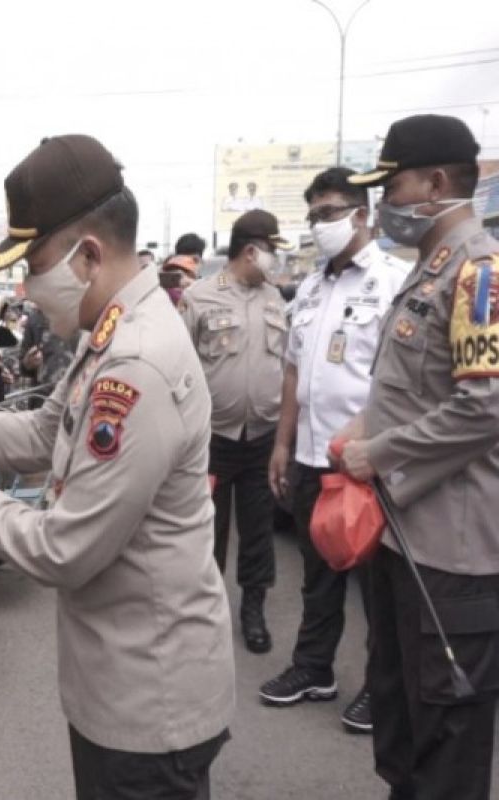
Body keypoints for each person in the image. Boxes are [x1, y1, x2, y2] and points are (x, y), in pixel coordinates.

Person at [0, 134, 234, 800]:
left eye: (34, 262)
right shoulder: (107, 332)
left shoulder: (135, 362)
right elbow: (48, 428)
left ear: (88, 254)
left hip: (150, 699)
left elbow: (70, 548)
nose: (26, 286)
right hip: (121, 679)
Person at [336, 114, 499, 800]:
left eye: (393, 185)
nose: (384, 205)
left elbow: (484, 407)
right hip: (404, 541)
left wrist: (379, 452)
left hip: (452, 555)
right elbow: (412, 385)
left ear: (436, 182)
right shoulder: (428, 270)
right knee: (403, 735)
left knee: (446, 754)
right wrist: (362, 425)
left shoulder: (479, 272)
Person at [259, 167, 409, 733]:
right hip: (311, 456)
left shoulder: (396, 280)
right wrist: (282, 442)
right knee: (316, 571)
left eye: (330, 212)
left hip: (367, 461)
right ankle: (313, 669)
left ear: (363, 213)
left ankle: (381, 685)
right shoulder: (312, 287)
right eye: (314, 214)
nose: (321, 224)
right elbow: (295, 370)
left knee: (376, 584)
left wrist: (376, 448)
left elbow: (403, 380)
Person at [179, 209, 292, 655]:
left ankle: (253, 612)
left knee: (258, 530)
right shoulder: (200, 297)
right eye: (271, 252)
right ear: (251, 250)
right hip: (212, 439)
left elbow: (283, 365)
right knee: (207, 530)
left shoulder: (275, 299)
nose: (274, 261)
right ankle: (203, 614)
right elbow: (179, 366)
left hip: (261, 437)